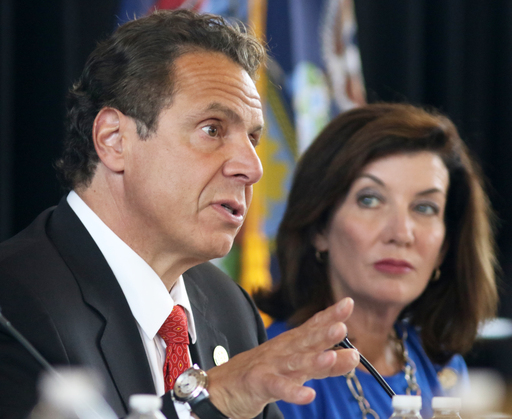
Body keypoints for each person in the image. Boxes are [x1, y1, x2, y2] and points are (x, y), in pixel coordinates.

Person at [0, 9, 361, 419]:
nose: (253, 167)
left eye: (253, 138)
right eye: (212, 129)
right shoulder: (13, 304)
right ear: (114, 140)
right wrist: (211, 400)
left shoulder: (229, 306)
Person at [255, 103, 498, 419]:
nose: (401, 233)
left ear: (445, 246)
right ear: (319, 227)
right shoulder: (275, 369)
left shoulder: (445, 368)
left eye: (425, 207)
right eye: (370, 200)